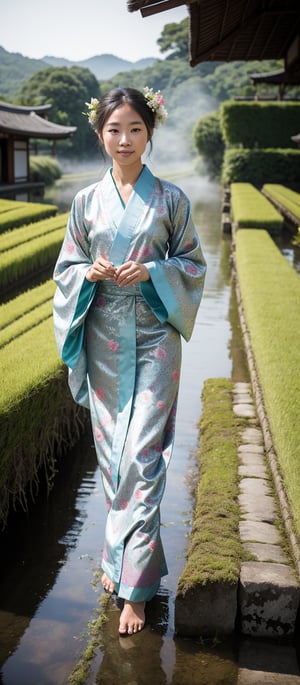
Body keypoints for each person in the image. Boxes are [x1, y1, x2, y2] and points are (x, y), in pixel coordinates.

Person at [53, 86, 206, 636]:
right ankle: (118, 559)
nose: (124, 140)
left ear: (150, 133)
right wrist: (87, 274)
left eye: (135, 129)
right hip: (104, 342)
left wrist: (153, 272)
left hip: (155, 337)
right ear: (99, 134)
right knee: (113, 458)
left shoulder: (171, 200)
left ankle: (135, 590)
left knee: (143, 455)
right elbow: (66, 268)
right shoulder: (84, 203)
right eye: (114, 130)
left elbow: (192, 262)